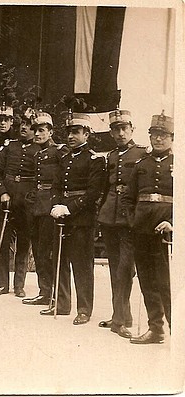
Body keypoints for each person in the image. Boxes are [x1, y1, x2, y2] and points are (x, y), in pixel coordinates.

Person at [45, 112, 106, 325]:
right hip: (61, 214)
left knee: (81, 264)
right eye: (69, 132)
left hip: (81, 218)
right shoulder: (64, 158)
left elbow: (93, 193)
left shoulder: (94, 160)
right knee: (59, 260)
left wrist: (68, 208)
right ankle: (62, 304)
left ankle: (84, 309)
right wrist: (55, 205)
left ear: (87, 134)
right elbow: (55, 186)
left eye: (76, 132)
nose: (71, 136)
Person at [123, 112, 173, 344]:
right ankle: (156, 329)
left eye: (163, 135)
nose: (158, 139)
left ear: (172, 137)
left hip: (169, 235)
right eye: (154, 134)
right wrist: (133, 221)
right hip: (142, 230)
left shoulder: (178, 163)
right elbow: (128, 198)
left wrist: (173, 222)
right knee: (147, 280)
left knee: (167, 283)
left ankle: (178, 331)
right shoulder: (141, 163)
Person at [96, 109, 147, 338]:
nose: (120, 133)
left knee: (126, 269)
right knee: (115, 268)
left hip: (129, 218)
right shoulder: (112, 156)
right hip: (110, 216)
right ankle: (121, 316)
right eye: (115, 129)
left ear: (132, 129)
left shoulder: (142, 154)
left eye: (124, 128)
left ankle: (120, 320)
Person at [0, 114, 39, 297]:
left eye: (30, 126)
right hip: (7, 198)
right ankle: (2, 284)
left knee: (24, 243)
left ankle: (19, 285)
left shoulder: (39, 150)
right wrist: (2, 192)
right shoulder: (10, 147)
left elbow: (41, 178)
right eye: (22, 125)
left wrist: (32, 197)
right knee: (1, 240)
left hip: (27, 201)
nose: (25, 128)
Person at [23, 112, 68, 305]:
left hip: (51, 205)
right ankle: (44, 292)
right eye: (36, 131)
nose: (38, 134)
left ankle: (56, 294)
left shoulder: (60, 150)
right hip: (37, 206)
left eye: (42, 130)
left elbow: (65, 177)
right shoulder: (37, 153)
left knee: (49, 252)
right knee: (39, 250)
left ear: (50, 131)